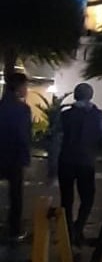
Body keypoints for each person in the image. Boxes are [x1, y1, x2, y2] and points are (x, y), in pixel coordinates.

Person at [58, 82, 102, 247]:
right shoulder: (98, 115)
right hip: (86, 162)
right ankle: (78, 228)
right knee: (87, 198)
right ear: (90, 96)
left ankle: (68, 231)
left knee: (66, 199)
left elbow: (56, 137)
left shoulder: (65, 115)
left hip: (65, 161)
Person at [0, 73, 31, 243]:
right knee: (16, 196)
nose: (27, 90)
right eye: (25, 86)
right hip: (14, 157)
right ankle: (13, 230)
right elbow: (23, 136)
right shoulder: (23, 110)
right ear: (19, 87)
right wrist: (26, 160)